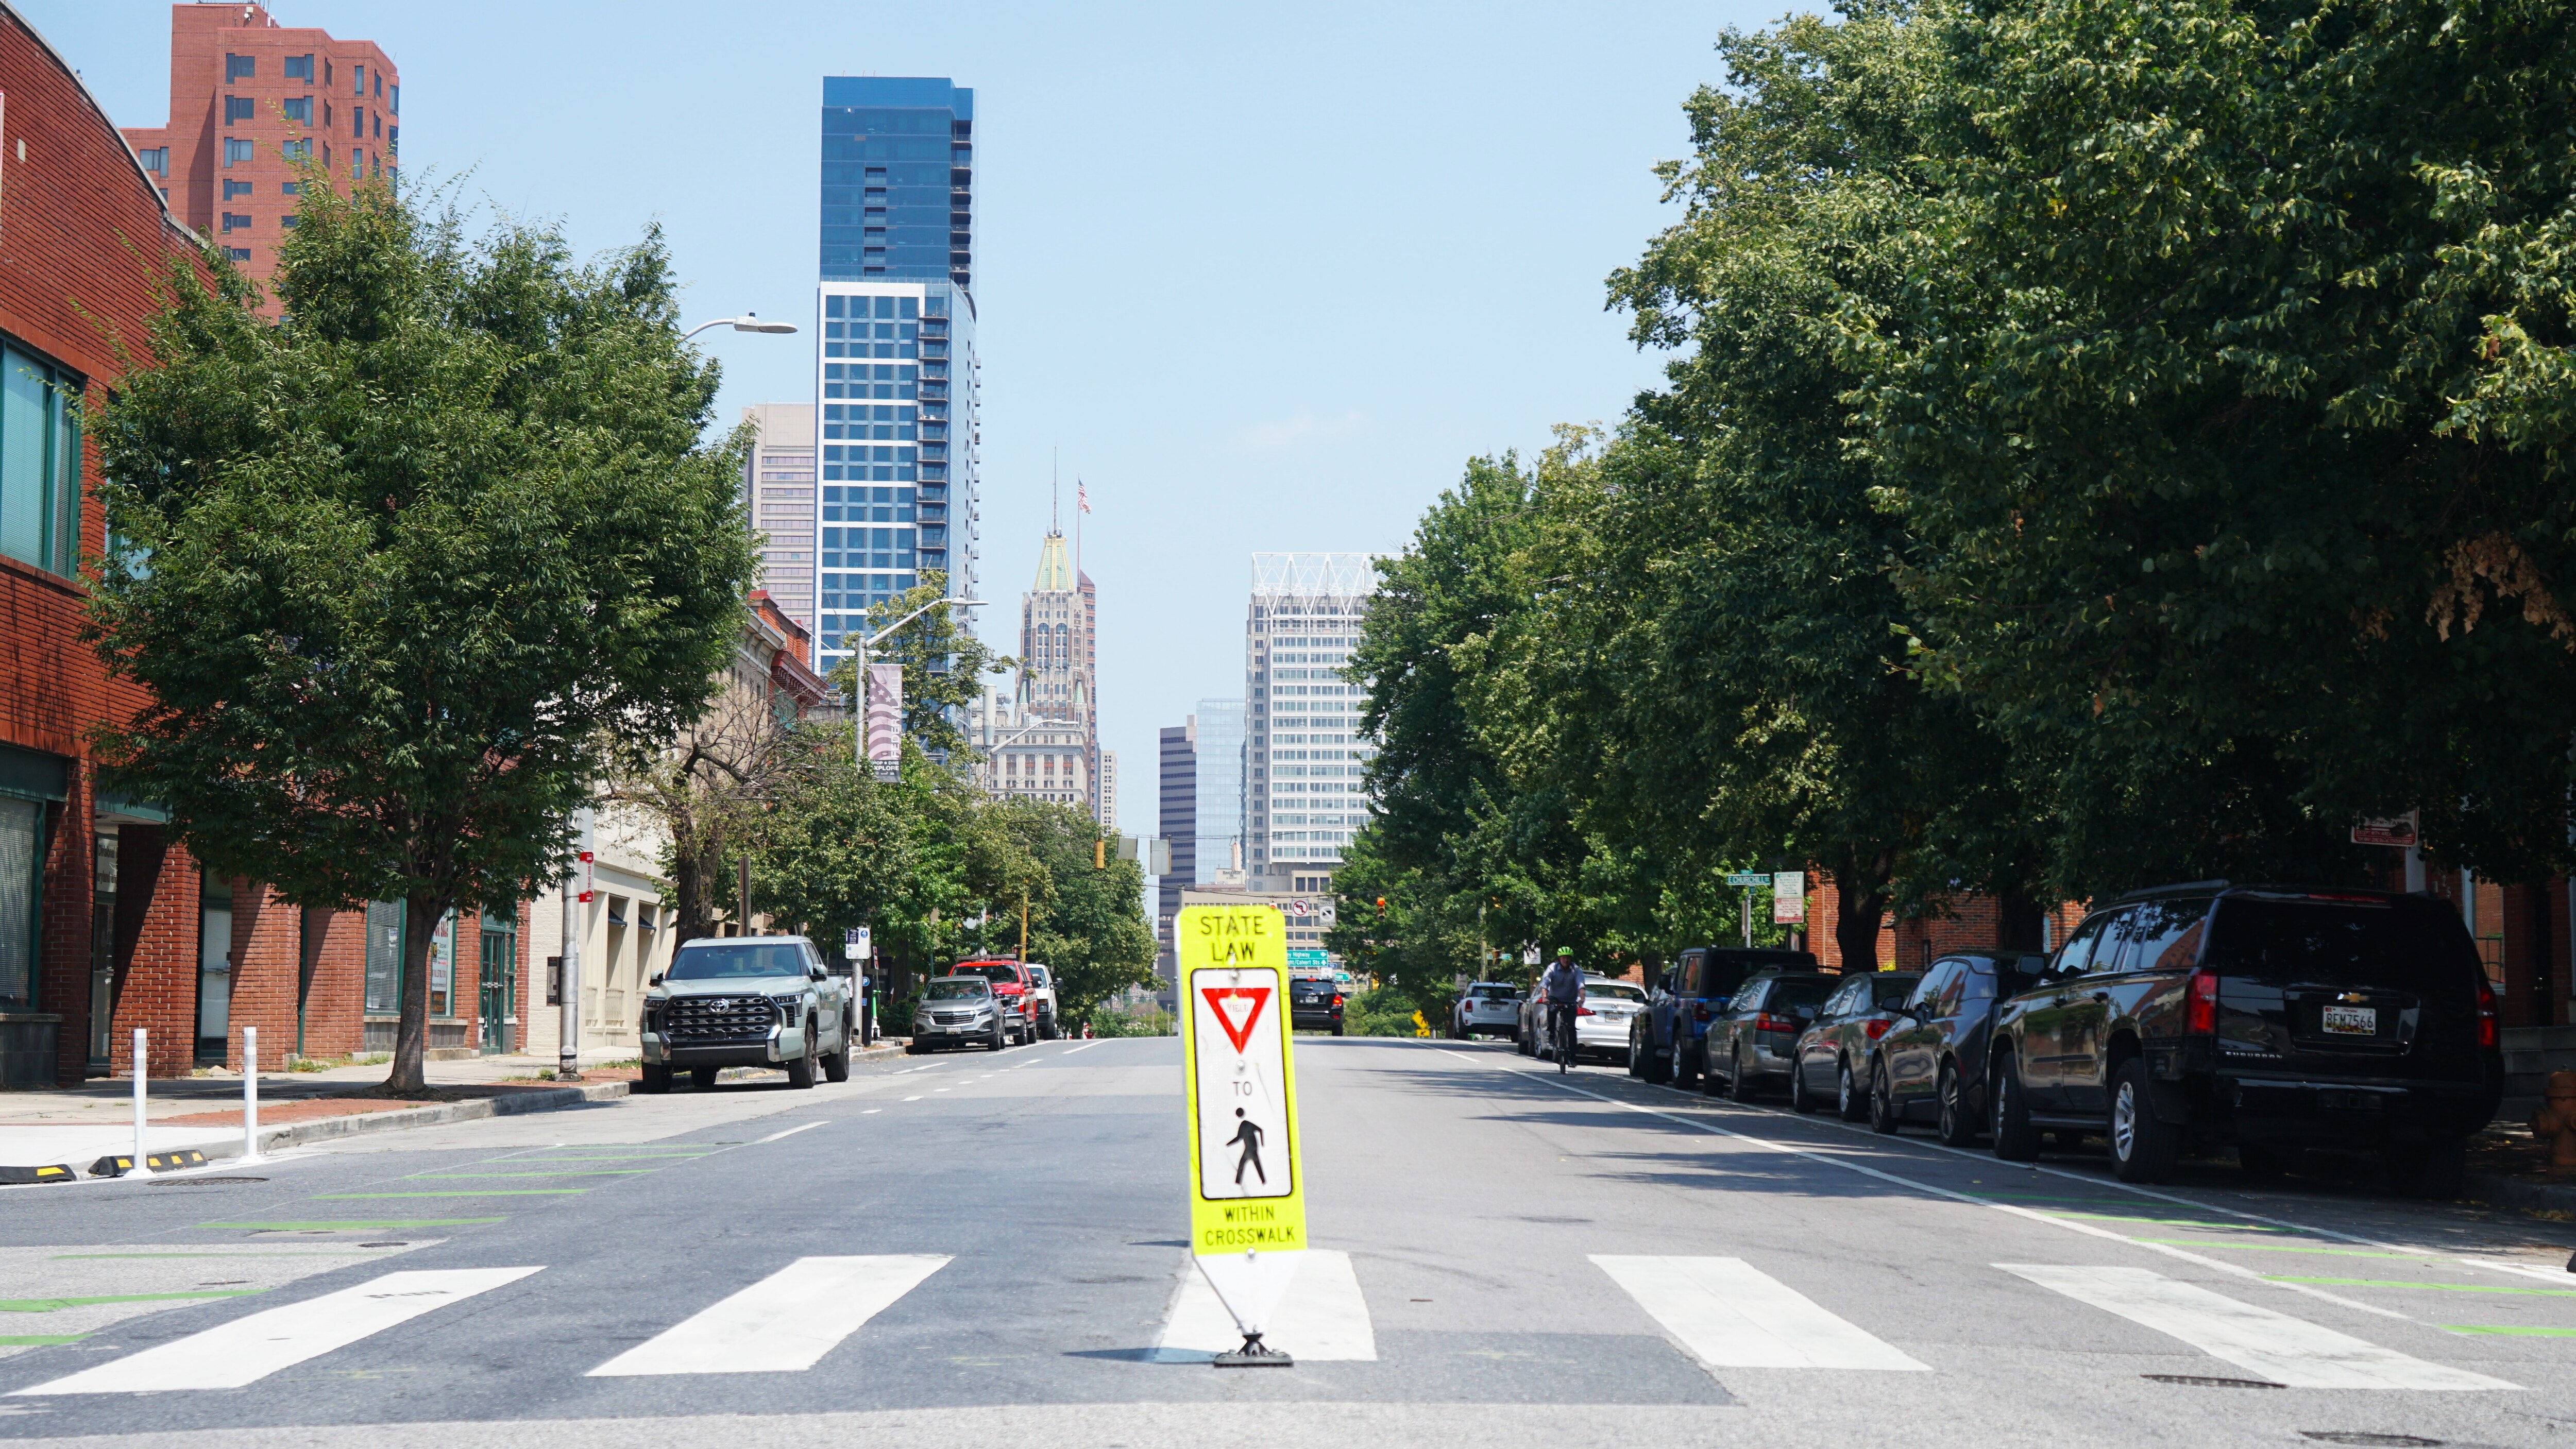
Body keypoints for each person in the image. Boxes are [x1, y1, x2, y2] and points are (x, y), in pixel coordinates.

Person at [1538, 947, 1585, 1060]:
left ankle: (1573, 1056)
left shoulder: (1577, 970)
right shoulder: (1553, 968)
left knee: (1571, 1028)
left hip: (1570, 1000)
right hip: (1555, 998)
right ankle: (1552, 1034)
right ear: (1559, 959)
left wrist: (1582, 998)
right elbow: (1545, 984)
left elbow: (1581, 985)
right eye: (1564, 958)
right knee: (1552, 1010)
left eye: (1568, 958)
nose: (1566, 960)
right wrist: (1545, 997)